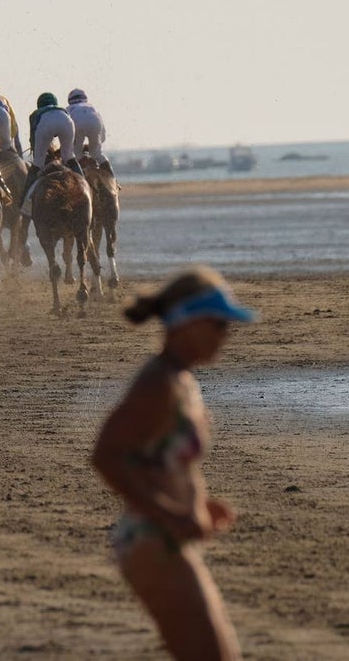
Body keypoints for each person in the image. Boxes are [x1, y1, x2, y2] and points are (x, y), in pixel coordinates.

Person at [91, 266, 254, 661]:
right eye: (218, 324)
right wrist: (171, 514)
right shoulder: (158, 382)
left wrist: (197, 506)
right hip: (153, 541)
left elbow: (161, 461)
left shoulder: (180, 379)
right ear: (186, 322)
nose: (226, 335)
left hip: (163, 538)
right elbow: (107, 455)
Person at [22, 92, 83, 200]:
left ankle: (24, 199)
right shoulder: (62, 110)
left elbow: (33, 139)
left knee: (37, 164)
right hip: (66, 122)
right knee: (69, 157)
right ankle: (83, 185)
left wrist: (37, 156)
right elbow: (70, 142)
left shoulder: (36, 114)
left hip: (45, 125)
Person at [66, 88, 114, 176]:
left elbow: (66, 136)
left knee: (75, 155)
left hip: (77, 124)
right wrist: (93, 147)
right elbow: (103, 138)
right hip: (94, 123)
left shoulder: (68, 109)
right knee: (97, 154)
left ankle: (78, 178)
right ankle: (113, 179)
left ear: (70, 100)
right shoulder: (92, 108)